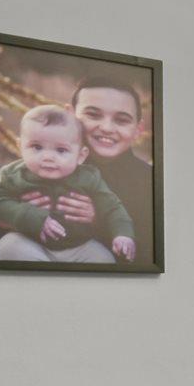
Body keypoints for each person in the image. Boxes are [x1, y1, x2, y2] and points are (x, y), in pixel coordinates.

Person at [19, 74, 155, 263]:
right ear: (70, 115)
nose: (107, 128)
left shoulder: (151, 182)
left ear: (138, 129)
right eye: (93, 115)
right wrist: (13, 216)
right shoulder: (37, 165)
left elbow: (152, 258)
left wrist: (99, 222)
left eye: (122, 120)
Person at [0, 105, 136, 265]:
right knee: (7, 247)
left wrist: (123, 234)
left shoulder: (89, 177)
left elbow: (112, 207)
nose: (48, 157)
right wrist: (26, 214)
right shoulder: (13, 175)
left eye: (61, 150)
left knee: (104, 258)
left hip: (79, 246)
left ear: (81, 156)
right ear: (20, 147)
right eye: (37, 147)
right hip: (30, 242)